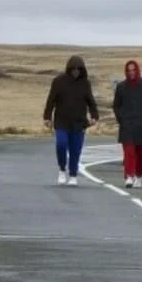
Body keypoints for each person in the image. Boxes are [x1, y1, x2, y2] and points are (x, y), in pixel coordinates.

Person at [42, 55, 100, 186]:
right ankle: (62, 169)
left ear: (82, 70)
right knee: (61, 144)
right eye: (73, 69)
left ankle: (73, 175)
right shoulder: (58, 81)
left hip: (79, 123)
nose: (75, 71)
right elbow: (51, 100)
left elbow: (91, 102)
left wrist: (94, 116)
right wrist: (47, 117)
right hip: (61, 121)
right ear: (68, 69)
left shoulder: (85, 83)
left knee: (75, 150)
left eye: (78, 69)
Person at [112, 59, 142, 188]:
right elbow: (116, 105)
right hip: (127, 124)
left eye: (133, 70)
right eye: (129, 70)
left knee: (140, 153)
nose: (131, 73)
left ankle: (139, 175)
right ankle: (129, 176)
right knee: (129, 151)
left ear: (137, 70)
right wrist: (121, 118)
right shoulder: (121, 87)